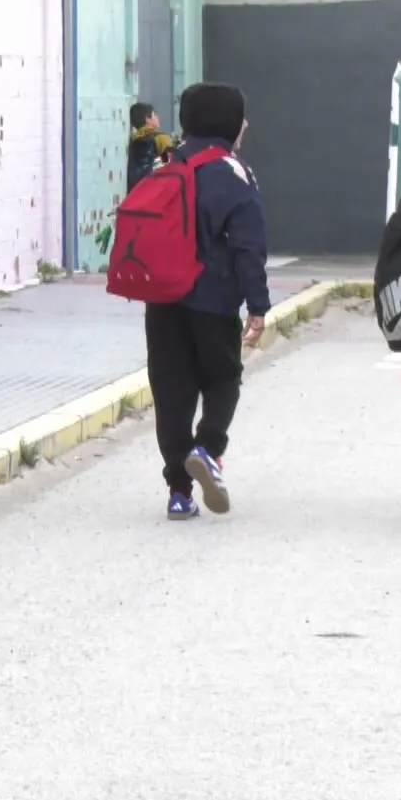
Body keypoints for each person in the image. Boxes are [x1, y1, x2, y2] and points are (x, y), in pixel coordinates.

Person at [144, 83, 270, 520]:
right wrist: (258, 305)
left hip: (162, 300)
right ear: (228, 123)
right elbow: (248, 247)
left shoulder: (165, 164)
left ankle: (179, 493)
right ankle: (208, 448)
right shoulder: (233, 173)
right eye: (241, 118)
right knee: (223, 377)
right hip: (213, 299)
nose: (246, 125)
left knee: (171, 392)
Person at [127, 102, 175, 192]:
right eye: (155, 115)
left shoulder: (133, 140)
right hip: (156, 190)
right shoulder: (162, 138)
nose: (158, 117)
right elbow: (171, 163)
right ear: (147, 119)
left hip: (136, 191)